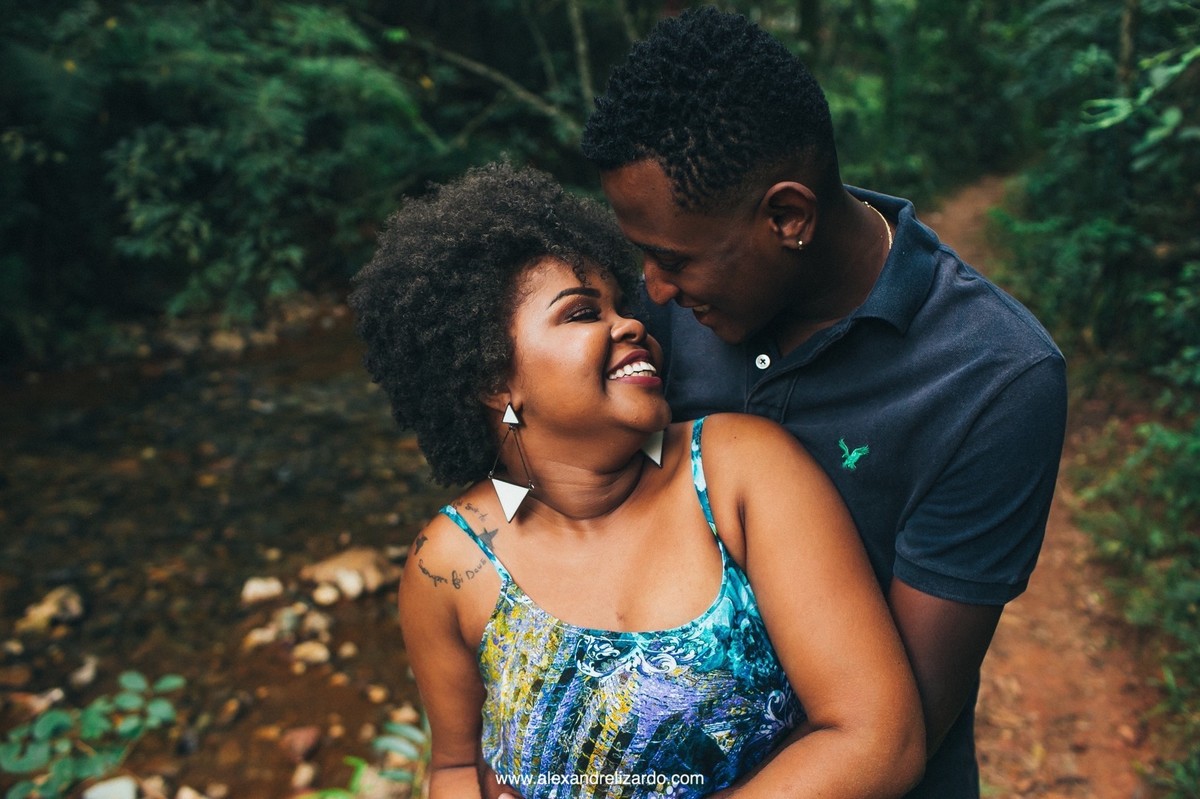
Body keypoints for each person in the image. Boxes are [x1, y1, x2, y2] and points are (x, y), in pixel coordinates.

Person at [580, 8, 1068, 799]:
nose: (654, 289)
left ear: (788, 217)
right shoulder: (670, 307)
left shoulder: (994, 380)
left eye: (673, 261)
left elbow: (903, 724)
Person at [349, 161, 924, 798]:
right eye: (581, 313)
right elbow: (456, 768)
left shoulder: (738, 470)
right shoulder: (448, 563)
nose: (631, 324)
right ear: (493, 380)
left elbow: (878, 740)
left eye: (620, 306)